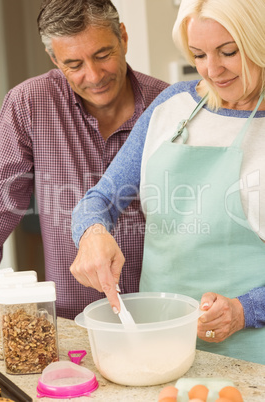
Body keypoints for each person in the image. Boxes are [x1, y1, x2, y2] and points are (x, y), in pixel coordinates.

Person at [71, 0, 265, 364]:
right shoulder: (172, 105)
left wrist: (244, 310)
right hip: (158, 349)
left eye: (228, 51)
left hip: (254, 358)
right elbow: (101, 199)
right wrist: (91, 231)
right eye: (199, 55)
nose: (212, 70)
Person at [0, 0, 169, 319]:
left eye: (102, 55)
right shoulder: (28, 105)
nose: (93, 76)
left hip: (162, 313)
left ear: (123, 37)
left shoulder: (169, 106)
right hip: (72, 318)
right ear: (54, 59)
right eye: (74, 64)